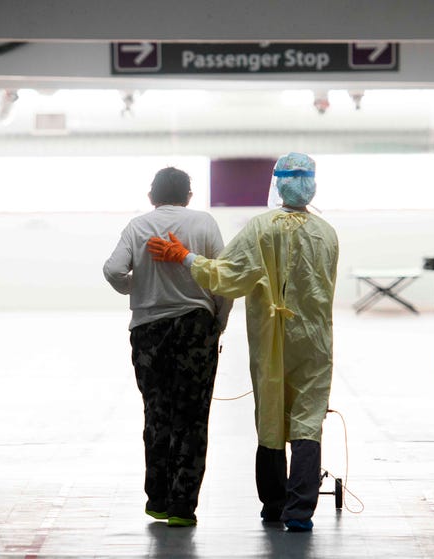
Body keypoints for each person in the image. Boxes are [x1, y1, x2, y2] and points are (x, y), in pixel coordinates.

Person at [147, 152, 338, 532]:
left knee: (270, 416)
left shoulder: (261, 229)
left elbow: (227, 276)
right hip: (315, 340)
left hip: (272, 338)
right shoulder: (327, 233)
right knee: (308, 419)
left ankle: (274, 504)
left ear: (278, 183)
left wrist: (184, 258)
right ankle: (300, 512)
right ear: (312, 184)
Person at [103, 166, 232, 528]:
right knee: (192, 418)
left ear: (151, 196)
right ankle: (182, 507)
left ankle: (157, 501)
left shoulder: (137, 227)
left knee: (156, 413)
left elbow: (113, 270)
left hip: (147, 330)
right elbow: (222, 279)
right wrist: (217, 323)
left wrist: (137, 287)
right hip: (196, 327)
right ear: (189, 196)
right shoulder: (204, 224)